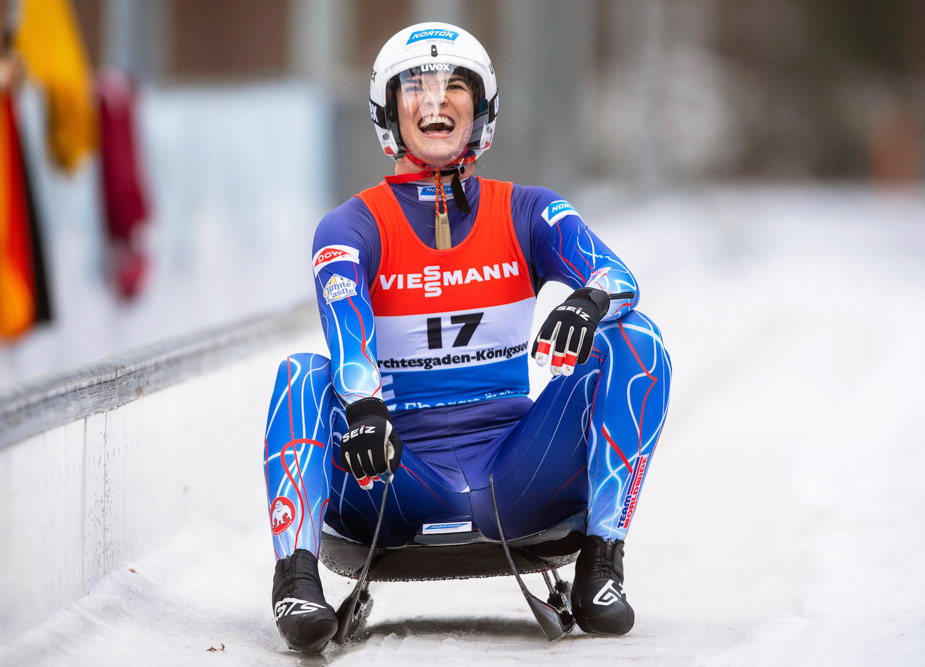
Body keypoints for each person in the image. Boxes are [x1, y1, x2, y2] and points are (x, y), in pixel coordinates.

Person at [263, 21, 671, 653]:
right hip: (393, 472)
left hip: (514, 468)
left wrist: (589, 302)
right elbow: (343, 325)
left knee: (638, 343)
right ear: (389, 111)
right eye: (416, 87)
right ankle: (294, 580)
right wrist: (366, 408)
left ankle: (602, 562)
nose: (436, 100)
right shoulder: (349, 225)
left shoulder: (530, 210)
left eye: (456, 84)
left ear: (481, 109)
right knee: (300, 373)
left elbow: (620, 278)